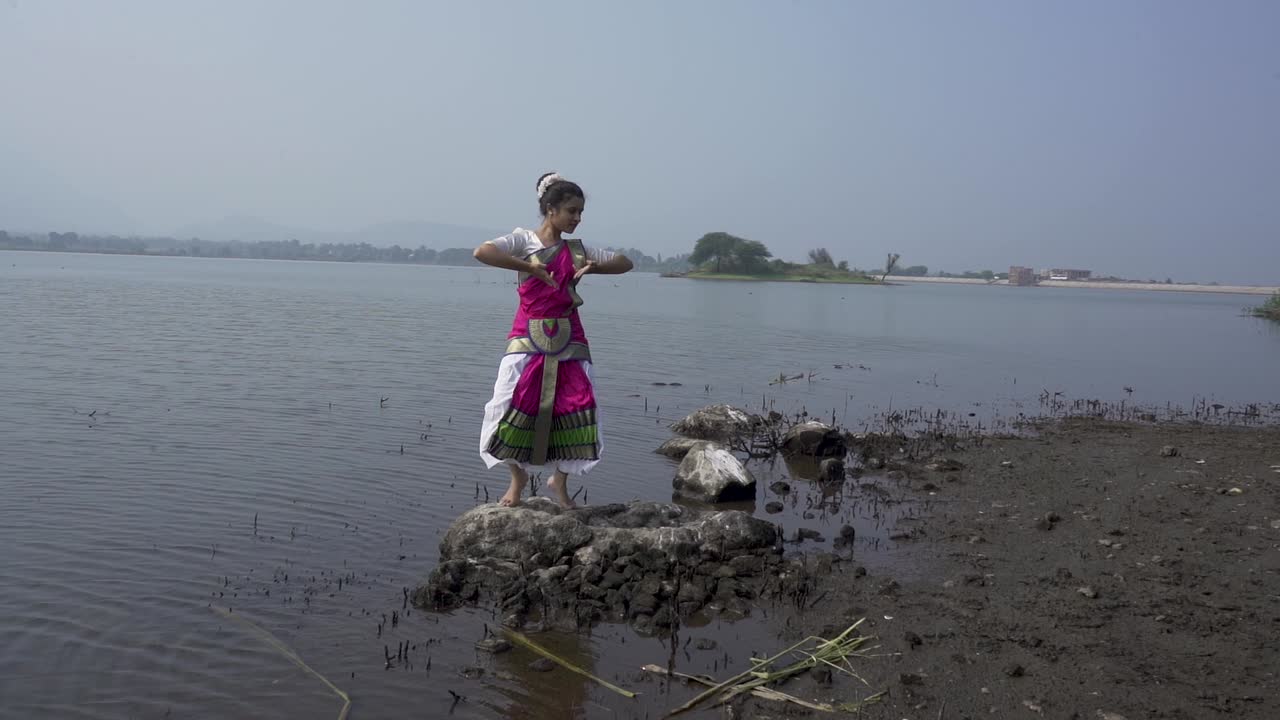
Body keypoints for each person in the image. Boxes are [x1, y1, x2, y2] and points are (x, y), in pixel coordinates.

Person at [474, 172, 633, 508]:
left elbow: (624, 262)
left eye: (580, 212)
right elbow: (482, 252)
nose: (577, 218)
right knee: (508, 404)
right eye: (572, 211)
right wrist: (529, 268)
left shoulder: (576, 250)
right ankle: (517, 478)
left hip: (570, 337)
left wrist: (591, 266)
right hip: (526, 336)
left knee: (576, 406)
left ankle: (558, 482)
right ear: (551, 210)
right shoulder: (523, 242)